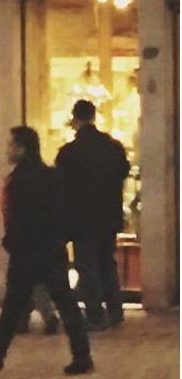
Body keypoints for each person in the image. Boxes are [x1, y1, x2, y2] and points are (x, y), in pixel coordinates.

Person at [0, 127, 93, 376]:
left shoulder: (19, 180)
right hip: (50, 249)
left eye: (11, 145)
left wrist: (13, 242)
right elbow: (62, 212)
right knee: (64, 303)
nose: (7, 150)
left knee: (15, 303)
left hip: (28, 251)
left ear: (22, 148)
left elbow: (17, 217)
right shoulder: (50, 175)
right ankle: (82, 355)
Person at [55, 97, 131, 332]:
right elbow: (124, 172)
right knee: (107, 262)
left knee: (87, 266)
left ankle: (95, 314)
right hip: (108, 217)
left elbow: (60, 187)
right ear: (93, 117)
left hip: (81, 219)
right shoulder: (113, 147)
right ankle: (116, 311)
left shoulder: (69, 153)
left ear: (75, 120)